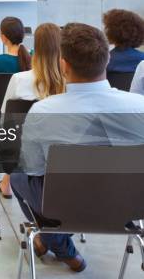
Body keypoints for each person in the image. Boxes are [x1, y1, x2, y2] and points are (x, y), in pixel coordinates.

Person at [12, 23, 144, 273]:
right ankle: (56, 244)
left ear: (63, 65)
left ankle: (60, 246)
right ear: (106, 61)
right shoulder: (140, 107)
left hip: (63, 206)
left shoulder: (43, 111)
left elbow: (35, 170)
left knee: (19, 174)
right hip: (128, 208)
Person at [0, 23, 65, 198]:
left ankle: (8, 182)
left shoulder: (19, 80)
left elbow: (5, 119)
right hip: (63, 154)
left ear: (36, 47)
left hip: (23, 152)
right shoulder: (70, 84)